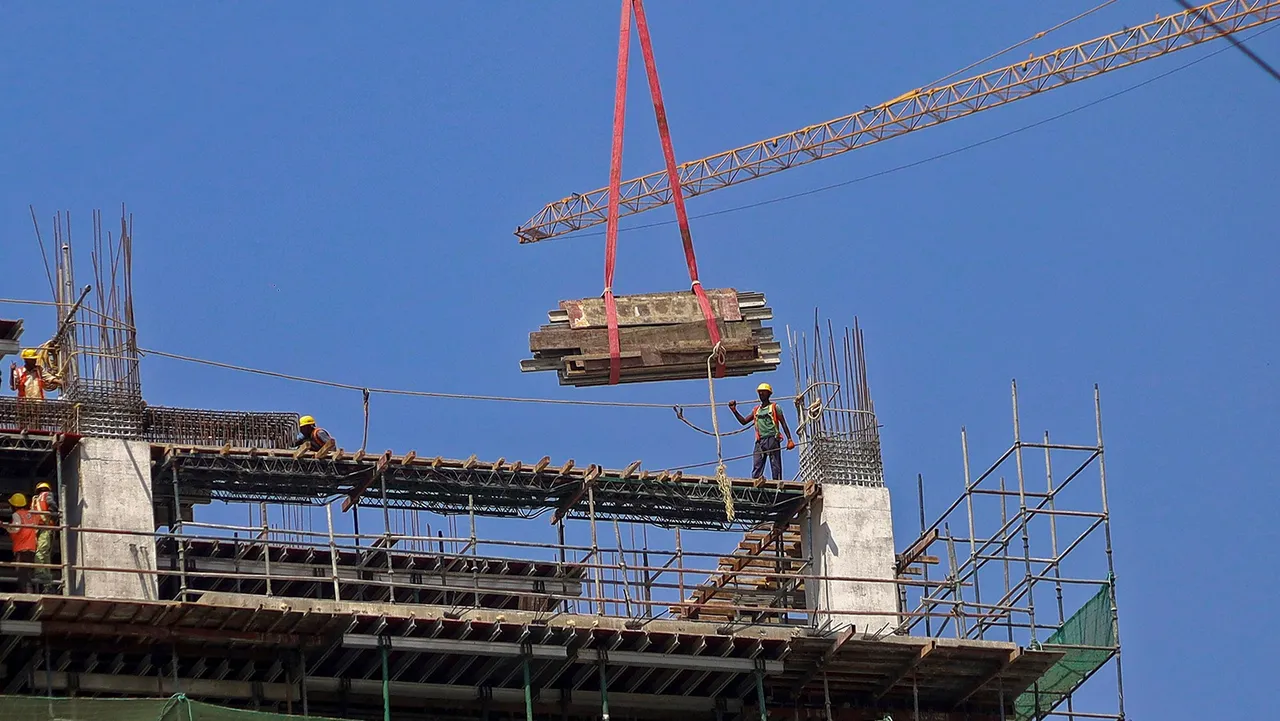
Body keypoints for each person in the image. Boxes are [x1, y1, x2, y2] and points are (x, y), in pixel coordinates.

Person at [728, 383, 796, 481]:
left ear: (769, 393)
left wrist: (789, 439)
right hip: (760, 440)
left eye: (763, 392)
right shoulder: (757, 410)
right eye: (759, 392)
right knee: (757, 464)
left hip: (772, 438)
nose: (761, 394)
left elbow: (783, 423)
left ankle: (777, 483)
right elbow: (744, 421)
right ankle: (755, 481)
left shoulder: (774, 407)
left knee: (775, 465)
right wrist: (734, 410)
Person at [4, 493, 38, 593]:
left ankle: (28, 594)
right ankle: (26, 592)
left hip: (22, 549)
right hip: (31, 548)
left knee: (22, 573)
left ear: (14, 505)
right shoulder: (30, 514)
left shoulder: (16, 514)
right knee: (27, 572)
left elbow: (16, 528)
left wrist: (6, 526)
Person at [29, 481, 58, 587]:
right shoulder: (46, 495)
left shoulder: (35, 500)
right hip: (45, 527)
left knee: (42, 552)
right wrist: (54, 516)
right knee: (44, 552)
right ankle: (43, 575)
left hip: (39, 529)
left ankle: (43, 575)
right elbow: (52, 507)